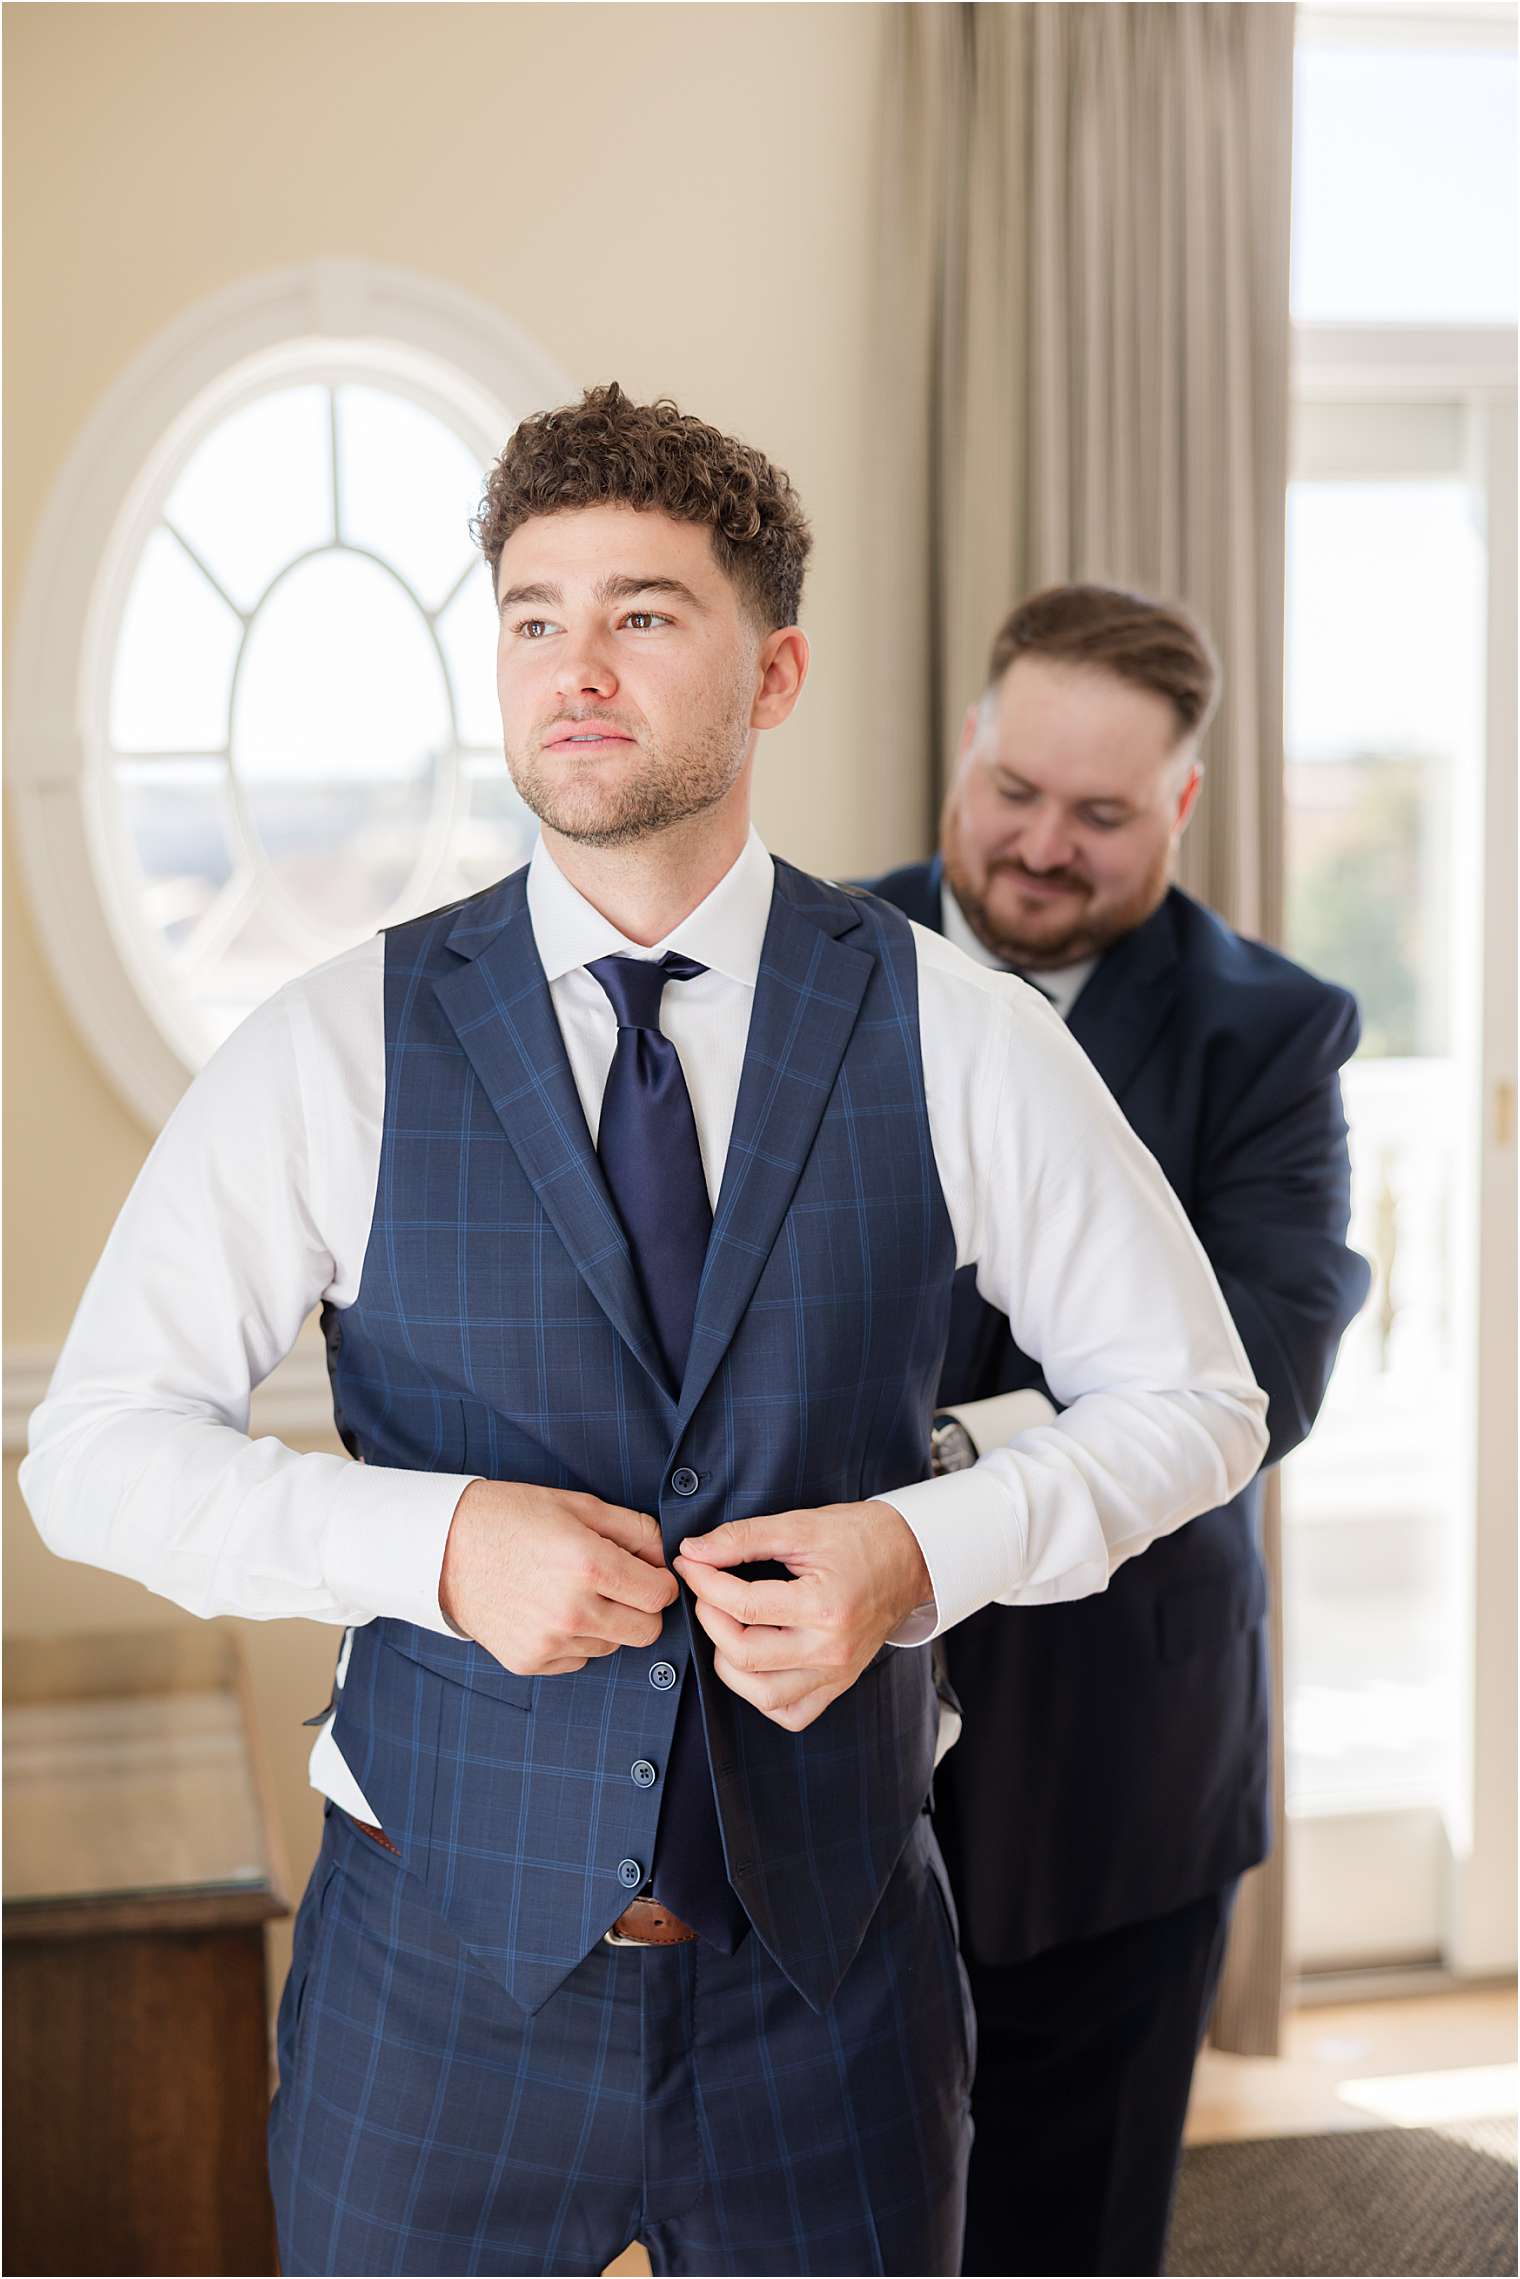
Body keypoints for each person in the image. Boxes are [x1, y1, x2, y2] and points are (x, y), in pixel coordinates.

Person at [21, 402, 1268, 2279]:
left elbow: (1197, 1400)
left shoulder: (960, 1032)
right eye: (534, 618)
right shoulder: (331, 1047)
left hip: (834, 1999)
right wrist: (434, 1546)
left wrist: (918, 1550)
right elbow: (95, 1450)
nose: (576, 670)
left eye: (644, 616)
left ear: (774, 674)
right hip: (431, 1995)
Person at [868, 582, 1371, 2278]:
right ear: (968, 746)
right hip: (818, 1746)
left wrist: (942, 1464)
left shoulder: (1272, 1035)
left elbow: (1266, 1361)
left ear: (1183, 803)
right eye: (1015, 790)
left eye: (1099, 815)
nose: (1040, 847)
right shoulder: (799, 965)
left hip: (1119, 1758)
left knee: (1069, 2242)